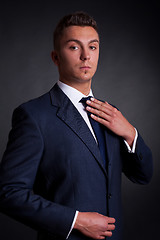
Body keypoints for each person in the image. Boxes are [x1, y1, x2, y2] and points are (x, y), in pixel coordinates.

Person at [0, 12, 153, 240]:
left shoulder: (111, 113)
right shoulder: (33, 116)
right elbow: (8, 193)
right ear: (55, 57)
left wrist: (130, 134)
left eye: (92, 47)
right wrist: (76, 220)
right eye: (74, 47)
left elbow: (144, 176)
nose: (85, 56)